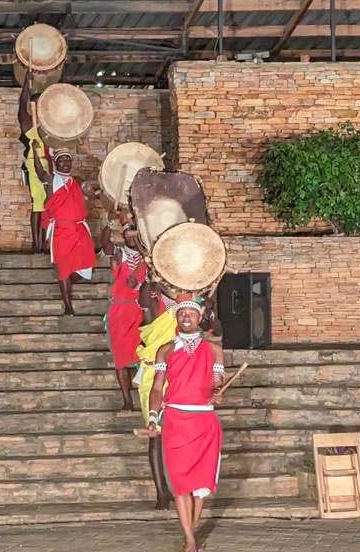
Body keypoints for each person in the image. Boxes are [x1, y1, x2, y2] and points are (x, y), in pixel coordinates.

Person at [145, 296, 224, 552]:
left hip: (205, 422)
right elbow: (157, 388)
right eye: (182, 314)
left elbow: (217, 381)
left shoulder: (214, 349)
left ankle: (190, 535)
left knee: (199, 487)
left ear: (200, 317)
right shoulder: (165, 349)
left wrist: (218, 391)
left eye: (191, 313)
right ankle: (190, 540)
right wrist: (153, 417)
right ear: (177, 318)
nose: (186, 318)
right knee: (180, 483)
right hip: (176, 421)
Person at [33, 149, 95, 315]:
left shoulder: (77, 180)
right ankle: (68, 306)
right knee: (63, 268)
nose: (66, 163)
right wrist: (34, 151)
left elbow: (89, 190)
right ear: (56, 163)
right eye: (62, 160)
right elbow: (39, 172)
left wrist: (91, 190)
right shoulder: (52, 180)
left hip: (79, 229)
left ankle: (65, 282)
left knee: (86, 267)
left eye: (68, 160)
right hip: (61, 231)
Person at [134, 283, 178, 509]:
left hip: (180, 374)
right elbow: (144, 298)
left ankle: (176, 487)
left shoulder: (184, 306)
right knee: (155, 433)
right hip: (153, 376)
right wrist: (154, 279)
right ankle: (161, 491)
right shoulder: (152, 301)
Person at [99, 216, 145, 411]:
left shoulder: (148, 257)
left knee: (144, 354)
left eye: (135, 231)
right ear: (124, 234)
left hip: (142, 311)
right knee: (120, 358)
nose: (132, 236)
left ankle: (143, 389)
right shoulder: (119, 255)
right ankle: (127, 399)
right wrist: (110, 223)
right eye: (129, 231)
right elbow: (105, 244)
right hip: (120, 311)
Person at [17, 73, 49, 253]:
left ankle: (45, 242)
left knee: (48, 205)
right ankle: (36, 243)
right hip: (34, 163)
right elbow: (21, 106)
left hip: (48, 165)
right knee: (38, 204)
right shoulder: (28, 121)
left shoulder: (49, 123)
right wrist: (26, 87)